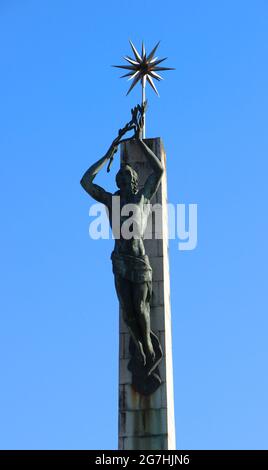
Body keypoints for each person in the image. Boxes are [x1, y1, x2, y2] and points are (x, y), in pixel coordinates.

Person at [80, 110, 164, 373]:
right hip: (119, 261)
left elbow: (159, 170)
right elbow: (85, 181)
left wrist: (138, 142)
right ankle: (140, 349)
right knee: (127, 313)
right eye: (121, 178)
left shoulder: (142, 199)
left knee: (140, 309)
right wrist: (107, 156)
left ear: (135, 180)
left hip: (139, 262)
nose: (124, 180)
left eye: (128, 177)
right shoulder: (112, 201)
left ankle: (149, 349)